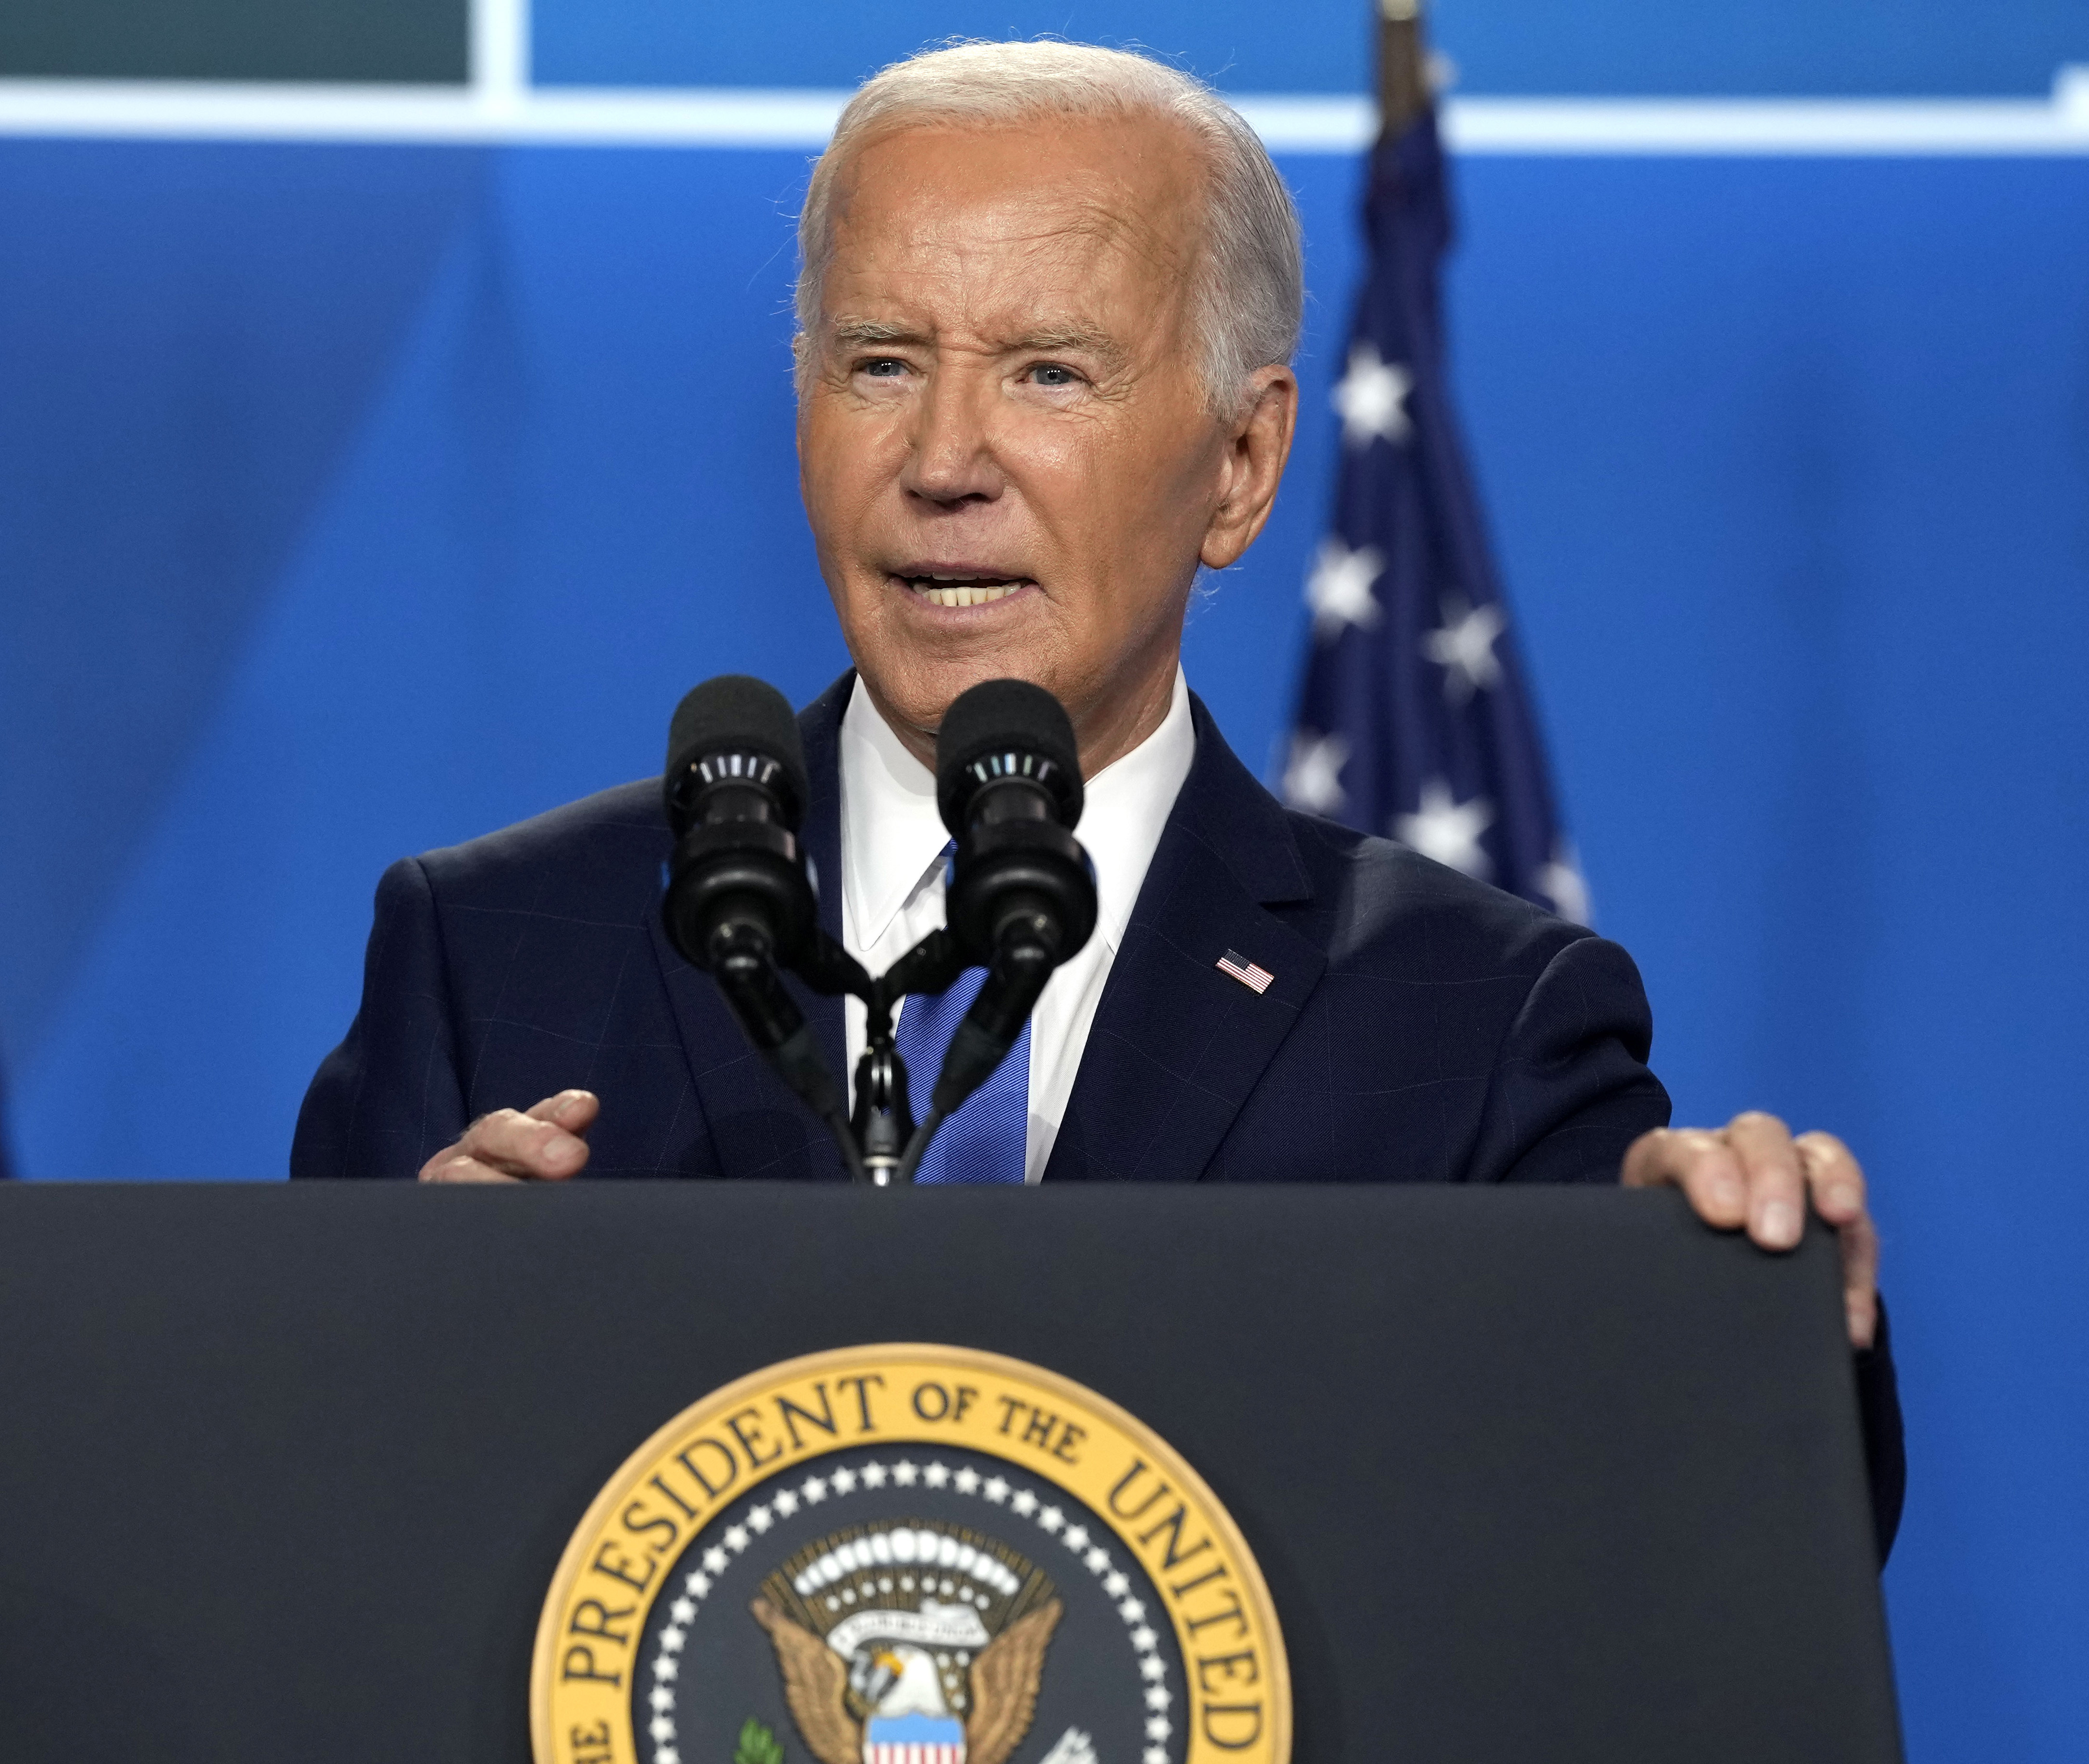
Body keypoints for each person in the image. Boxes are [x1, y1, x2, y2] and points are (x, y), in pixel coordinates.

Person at [289, 40, 1899, 1546]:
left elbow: (1719, 1543)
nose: (942, 458)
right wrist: (402, 1359)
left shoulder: (1469, 1023)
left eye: (1049, 374)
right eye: (877, 362)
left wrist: (1711, 1300)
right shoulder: (499, 954)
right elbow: (291, 1549)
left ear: (1243, 466)